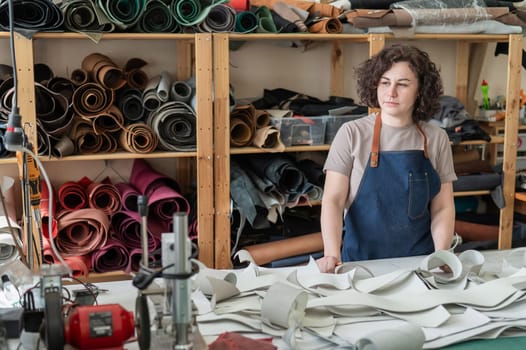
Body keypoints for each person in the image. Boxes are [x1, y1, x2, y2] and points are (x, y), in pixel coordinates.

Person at [317, 44, 457, 273]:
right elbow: (333, 200)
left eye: (402, 84)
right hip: (360, 263)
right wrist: (332, 254)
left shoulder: (436, 138)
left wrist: (441, 254)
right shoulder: (351, 134)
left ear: (420, 90)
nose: (390, 92)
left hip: (419, 265)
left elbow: (442, 207)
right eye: (384, 82)